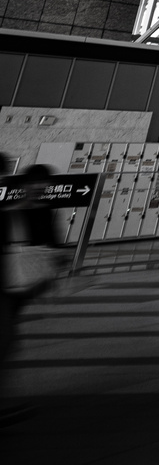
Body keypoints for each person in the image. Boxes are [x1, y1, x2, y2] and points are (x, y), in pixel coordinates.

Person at [2, 165, 64, 428]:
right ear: (23, 186)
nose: (39, 187)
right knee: (6, 341)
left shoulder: (46, 212)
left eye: (44, 183)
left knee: (7, 340)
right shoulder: (8, 214)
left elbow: (53, 245)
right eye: (34, 182)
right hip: (5, 285)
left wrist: (57, 260)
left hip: (24, 286)